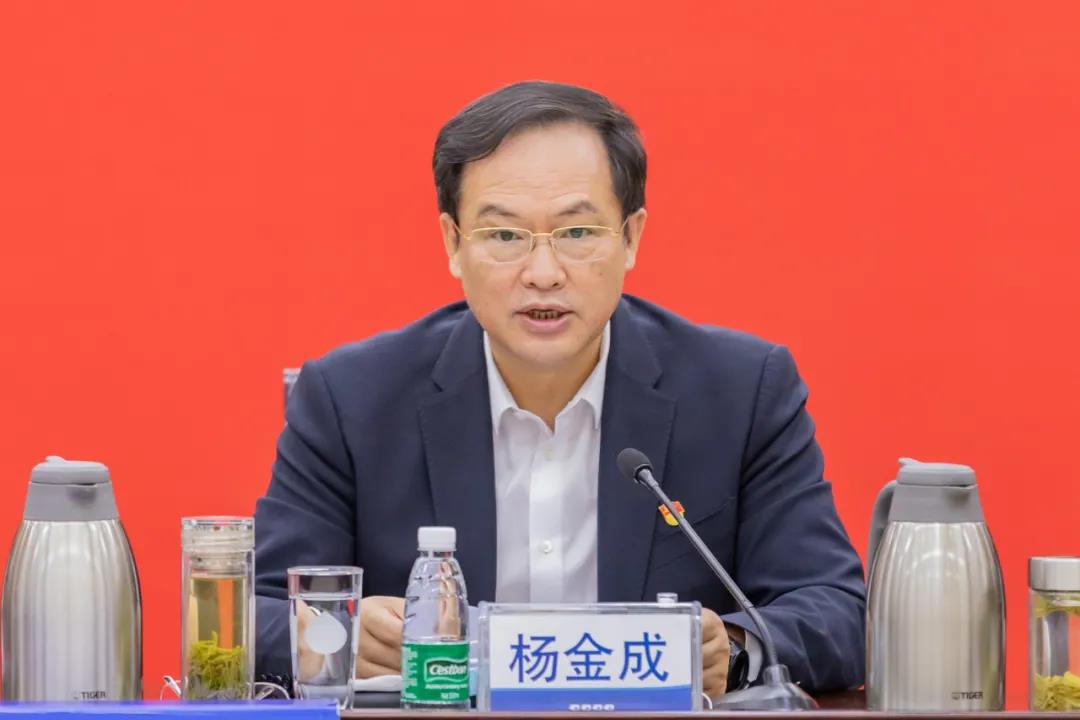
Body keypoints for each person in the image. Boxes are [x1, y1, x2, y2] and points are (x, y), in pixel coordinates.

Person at [253, 81, 866, 698]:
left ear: (631, 238)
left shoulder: (741, 392)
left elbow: (837, 610)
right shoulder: (350, 401)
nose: (543, 274)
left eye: (577, 233)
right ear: (453, 244)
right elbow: (255, 613)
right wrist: (337, 637)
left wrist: (732, 651)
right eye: (504, 236)